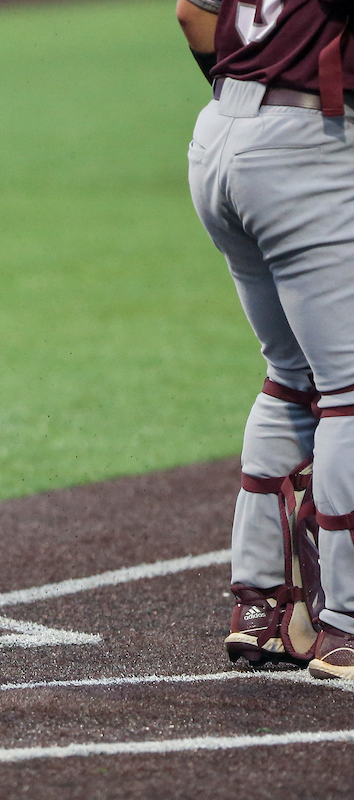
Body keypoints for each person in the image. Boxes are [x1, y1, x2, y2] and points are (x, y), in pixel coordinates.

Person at [179, 0, 354, 679]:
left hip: (220, 133)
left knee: (291, 376)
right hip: (305, 141)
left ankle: (265, 611)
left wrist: (249, 115)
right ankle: (345, 626)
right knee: (347, 388)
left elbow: (191, 13)